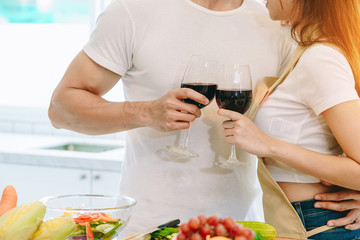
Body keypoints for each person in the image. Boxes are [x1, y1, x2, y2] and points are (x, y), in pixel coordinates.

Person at [48, 0, 360, 234]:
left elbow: (326, 113)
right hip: (151, 227)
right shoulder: (134, 11)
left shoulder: (276, 20)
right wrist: (144, 112)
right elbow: (61, 108)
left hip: (248, 228)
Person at [217, 0, 360, 239]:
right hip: (305, 220)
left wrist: (267, 144)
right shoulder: (305, 53)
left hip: (319, 224)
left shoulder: (321, 58)